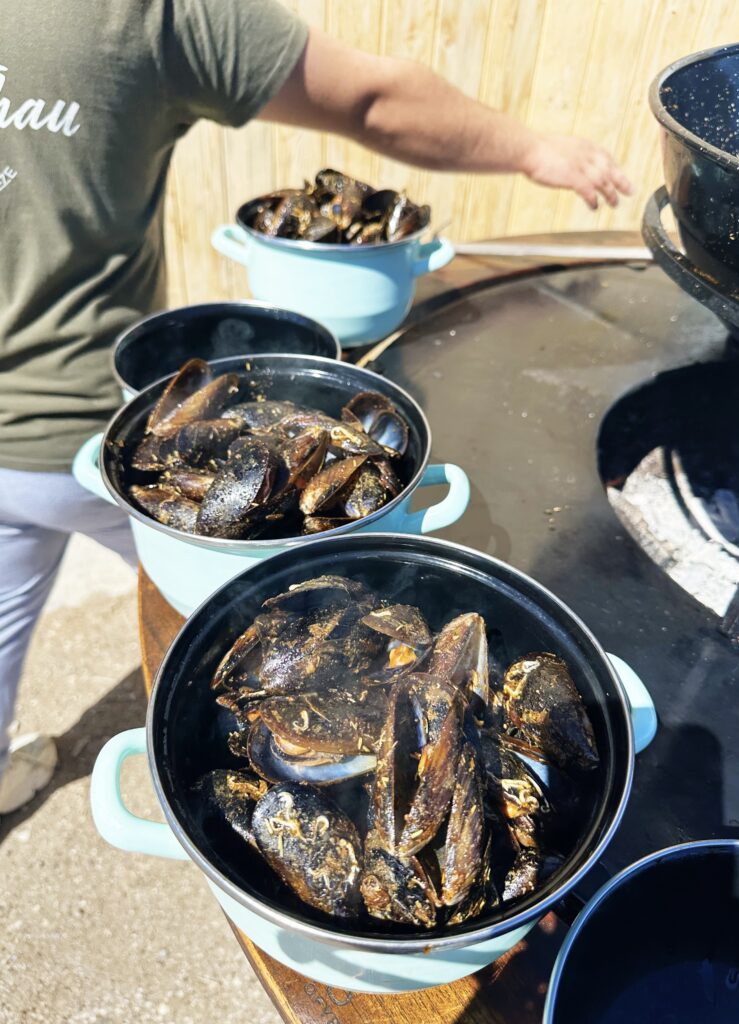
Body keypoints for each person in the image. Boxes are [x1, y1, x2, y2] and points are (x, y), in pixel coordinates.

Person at [0, 0, 631, 814]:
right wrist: (537, 148)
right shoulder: (133, 16)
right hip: (90, 422)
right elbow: (373, 98)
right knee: (265, 636)